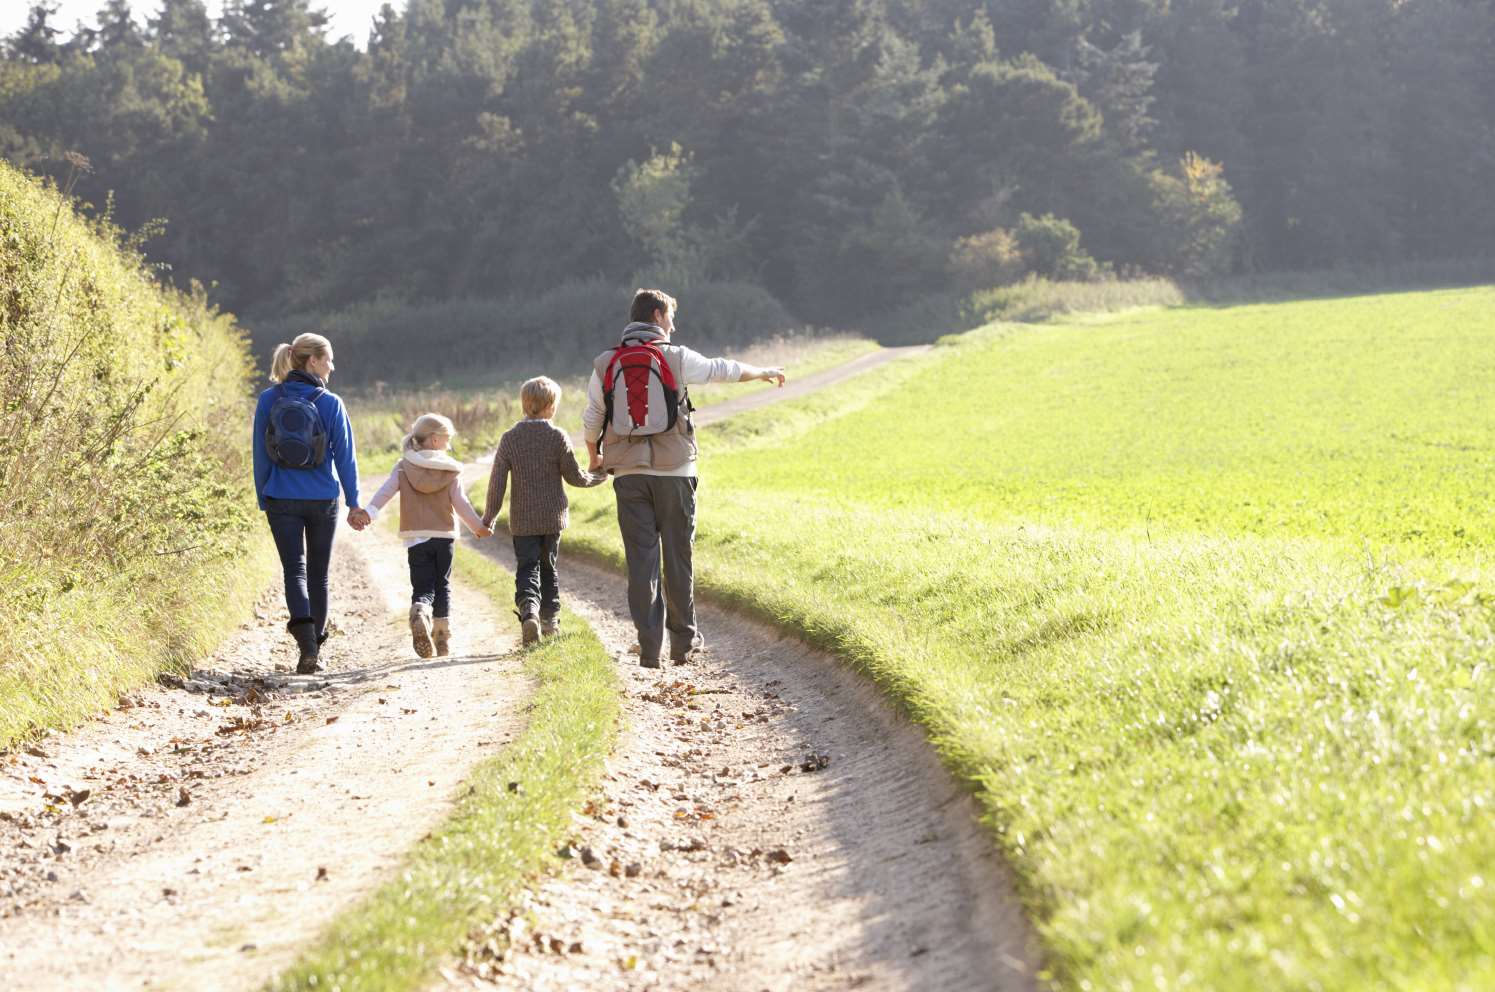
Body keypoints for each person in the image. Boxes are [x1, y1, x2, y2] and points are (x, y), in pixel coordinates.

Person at [582, 289, 785, 668]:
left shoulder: (606, 363)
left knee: (641, 562)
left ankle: (648, 648)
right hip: (676, 472)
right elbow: (722, 369)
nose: (674, 326)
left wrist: (594, 455)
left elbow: (593, 416)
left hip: (628, 475)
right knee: (678, 557)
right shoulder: (675, 357)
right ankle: (683, 643)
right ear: (657, 315)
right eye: (671, 317)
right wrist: (763, 372)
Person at [252, 333, 362, 675]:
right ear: (312, 361)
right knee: (318, 574)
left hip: (280, 497)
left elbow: (259, 453)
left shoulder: (269, 399)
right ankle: (316, 646)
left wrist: (263, 495)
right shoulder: (331, 403)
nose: (332, 366)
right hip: (322, 498)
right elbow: (345, 457)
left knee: (294, 570)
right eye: (328, 359)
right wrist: (353, 501)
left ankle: (307, 647)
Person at [483, 376, 605, 645]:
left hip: (523, 520)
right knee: (548, 568)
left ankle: (529, 612)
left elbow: (497, 482)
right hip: (552, 518)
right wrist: (599, 475)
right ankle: (550, 624)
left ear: (525, 404)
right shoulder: (556, 436)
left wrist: (489, 517)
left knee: (527, 567)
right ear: (551, 406)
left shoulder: (509, 438)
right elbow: (575, 477)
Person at [363, 414, 492, 658]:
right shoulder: (450, 470)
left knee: (423, 585)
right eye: (447, 439)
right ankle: (441, 639)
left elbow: (385, 492)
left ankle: (420, 610)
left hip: (416, 537)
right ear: (434, 440)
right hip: (443, 536)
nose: (449, 445)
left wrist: (369, 513)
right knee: (442, 585)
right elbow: (461, 504)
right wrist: (478, 526)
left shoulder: (404, 466)